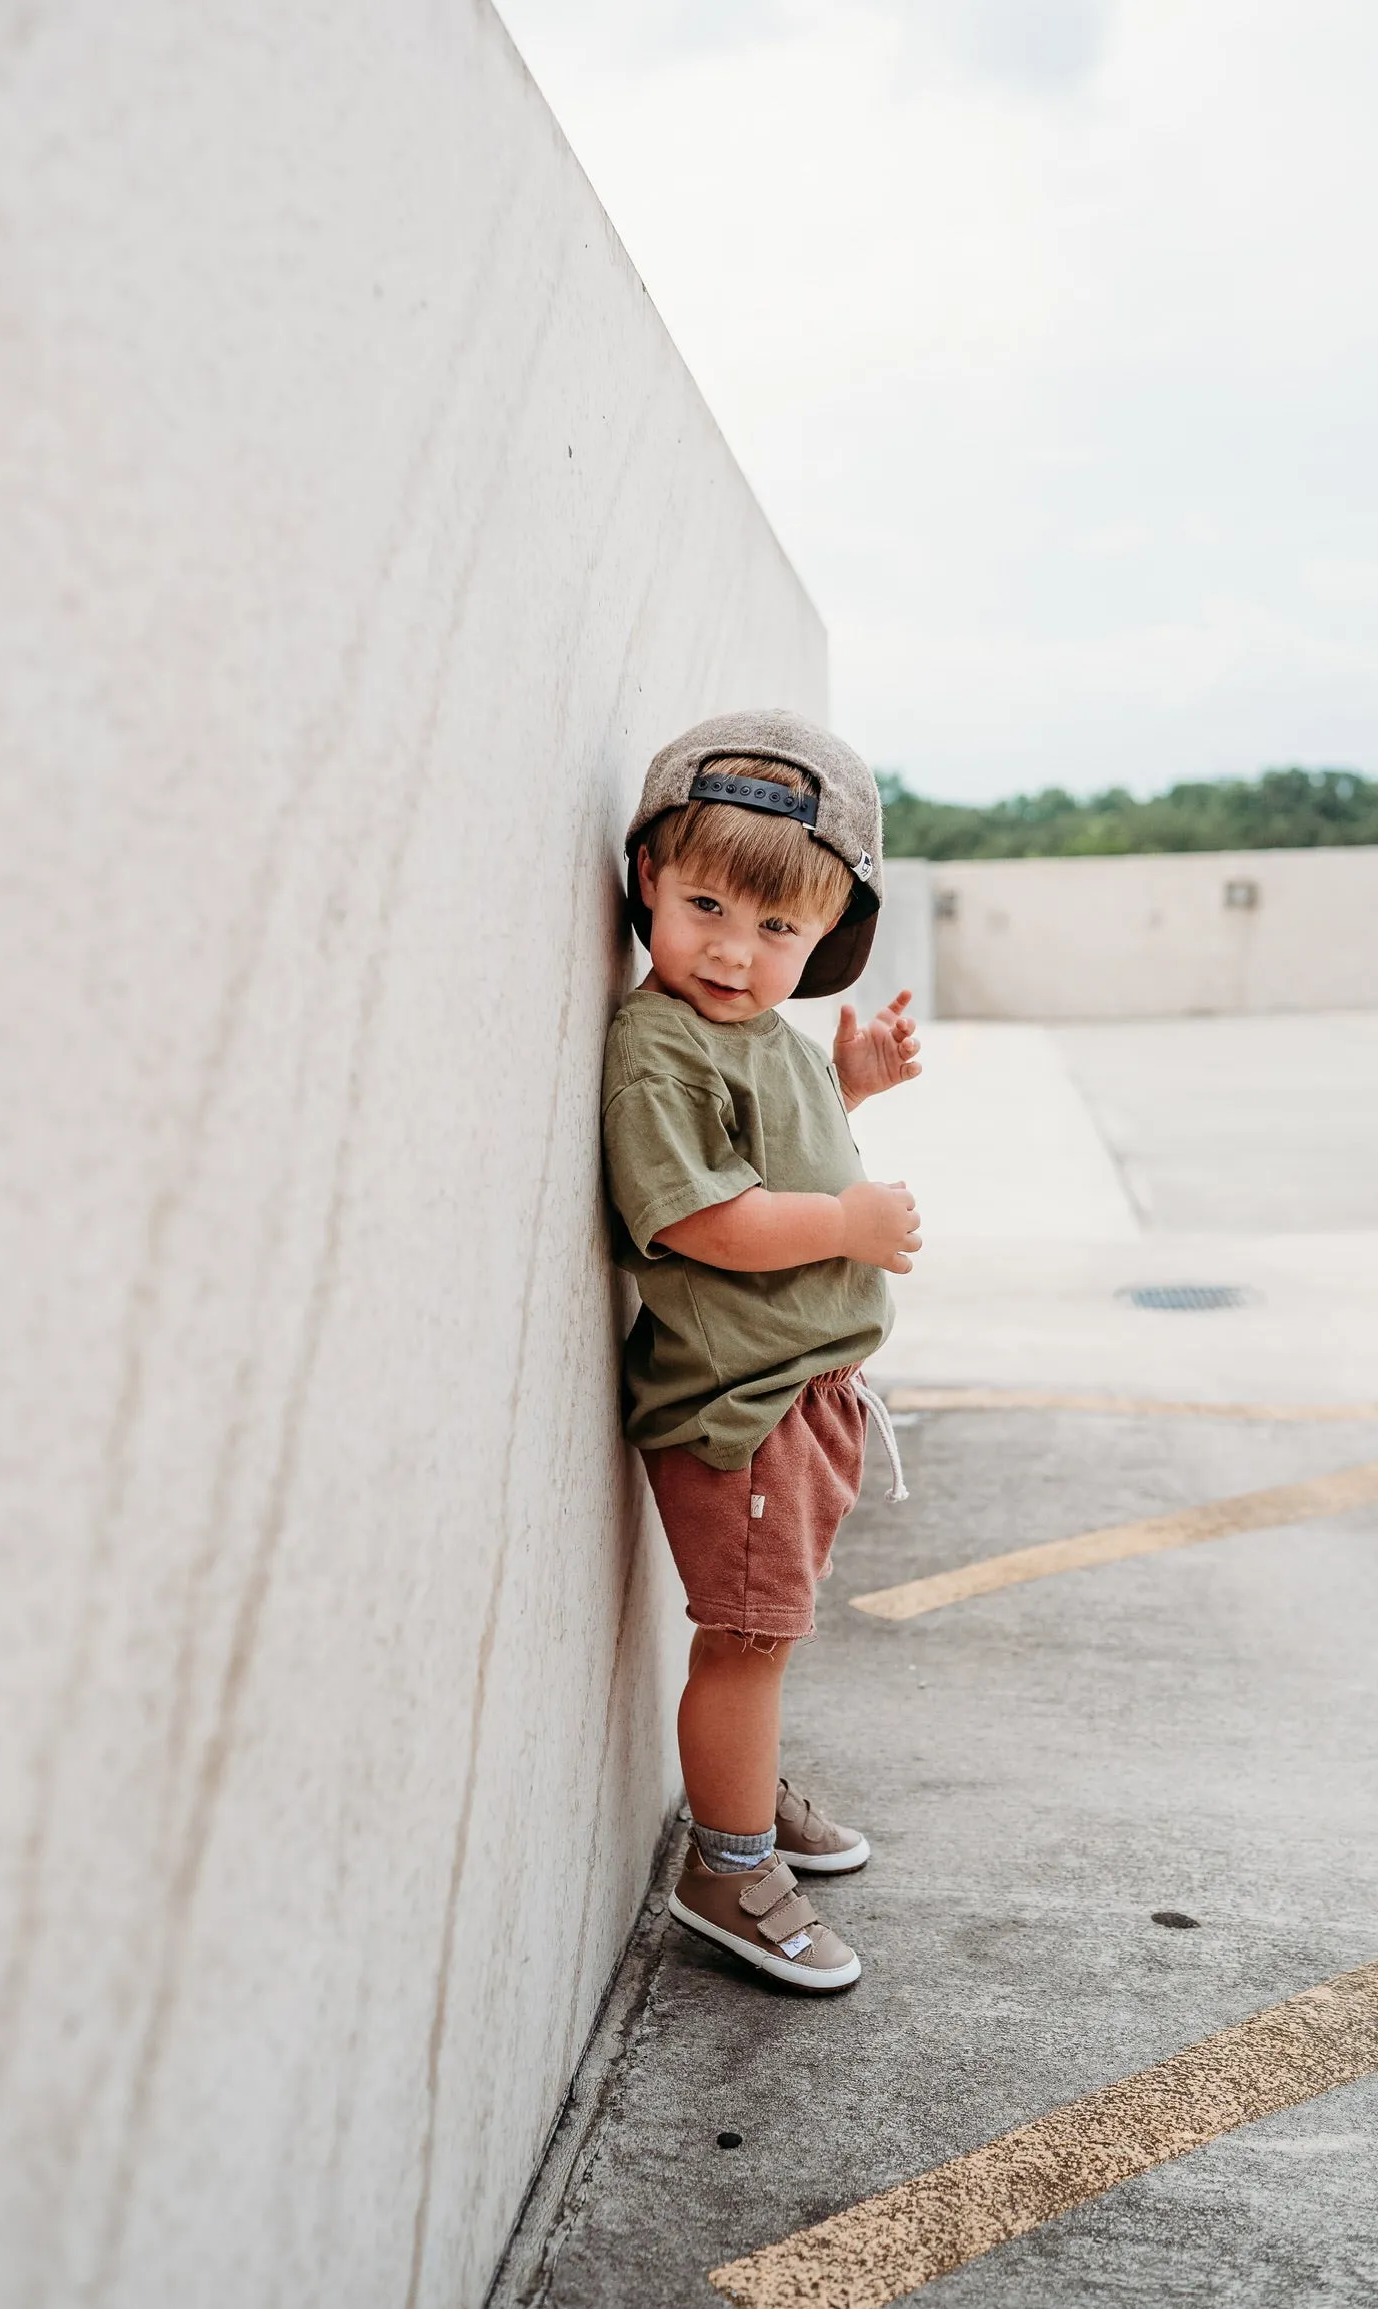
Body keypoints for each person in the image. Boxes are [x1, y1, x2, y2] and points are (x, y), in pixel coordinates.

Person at [601, 708, 922, 1992]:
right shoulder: (658, 1046)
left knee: (769, 1633)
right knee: (745, 1636)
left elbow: (769, 1151)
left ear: (827, 934)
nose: (735, 952)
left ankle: (745, 1787)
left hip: (802, 1399)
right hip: (742, 1410)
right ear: (647, 884)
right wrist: (847, 1218)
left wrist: (848, 1093)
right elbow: (699, 1214)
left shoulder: (754, 1033)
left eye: (777, 928)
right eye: (706, 907)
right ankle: (726, 1863)